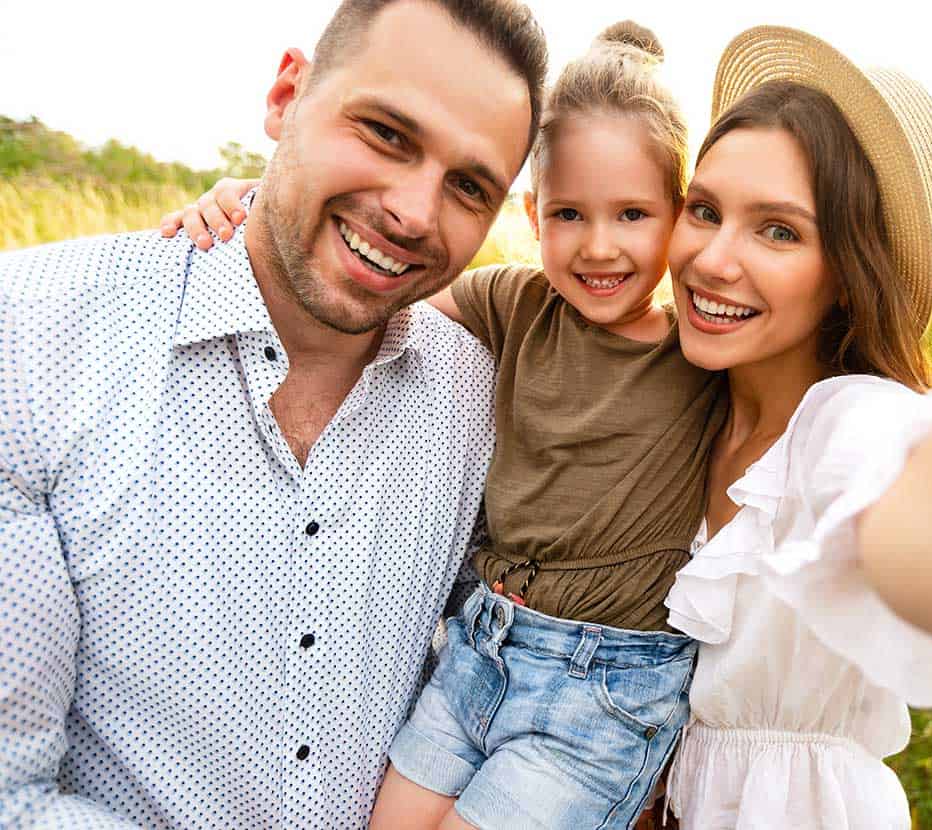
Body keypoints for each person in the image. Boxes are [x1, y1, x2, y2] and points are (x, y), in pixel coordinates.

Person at [162, 22, 728, 830]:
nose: (599, 247)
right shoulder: (517, 305)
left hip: (605, 685)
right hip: (477, 650)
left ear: (680, 215)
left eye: (633, 215)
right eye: (570, 214)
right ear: (533, 214)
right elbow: (361, 283)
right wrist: (252, 202)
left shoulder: (698, 354)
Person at [0, 2, 547, 827]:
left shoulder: (480, 398)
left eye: (469, 186)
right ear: (288, 94)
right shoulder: (34, 340)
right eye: (387, 133)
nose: (412, 214)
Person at [660, 26, 932, 829]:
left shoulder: (848, 420)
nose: (711, 258)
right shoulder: (675, 407)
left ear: (849, 273)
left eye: (778, 230)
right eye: (703, 210)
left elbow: (929, 480)